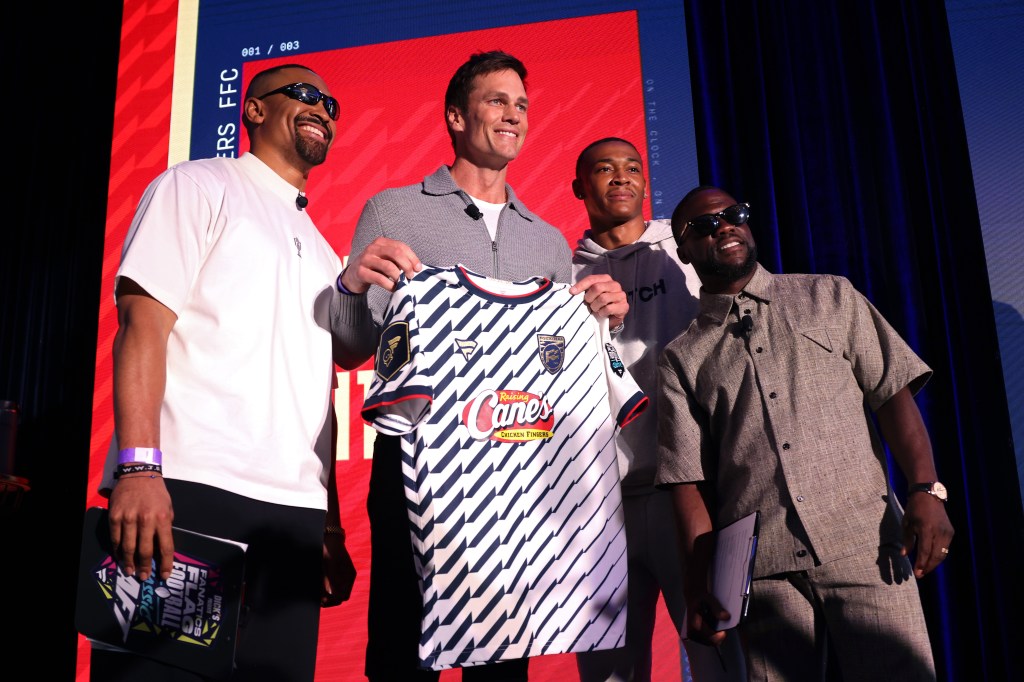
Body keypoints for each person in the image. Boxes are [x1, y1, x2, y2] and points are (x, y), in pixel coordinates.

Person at [331, 51, 629, 681]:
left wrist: (601, 315)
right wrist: (353, 288)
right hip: (421, 464)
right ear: (456, 116)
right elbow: (352, 348)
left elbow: (556, 359)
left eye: (521, 105)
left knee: (501, 661)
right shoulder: (393, 210)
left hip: (517, 472)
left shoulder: (547, 239)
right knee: (401, 646)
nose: (513, 115)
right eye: (497, 101)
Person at [92, 63, 356, 682]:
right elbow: (142, 328)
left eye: (332, 101)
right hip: (187, 491)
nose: (323, 107)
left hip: (293, 518)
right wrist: (137, 467)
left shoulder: (322, 248)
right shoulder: (196, 186)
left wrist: (330, 521)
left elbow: (321, 396)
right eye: (304, 94)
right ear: (255, 110)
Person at [656, 185, 955, 681]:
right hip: (763, 572)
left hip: (865, 547)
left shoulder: (829, 295)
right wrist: (696, 588)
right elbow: (687, 480)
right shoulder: (681, 357)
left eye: (734, 214)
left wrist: (927, 489)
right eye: (704, 226)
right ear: (682, 250)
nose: (724, 226)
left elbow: (892, 394)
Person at [571, 140, 745, 682]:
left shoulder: (687, 242)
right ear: (580, 188)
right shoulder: (560, 270)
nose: (621, 178)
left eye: (632, 168)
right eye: (604, 169)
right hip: (598, 507)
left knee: (718, 655)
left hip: (686, 493)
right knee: (609, 673)